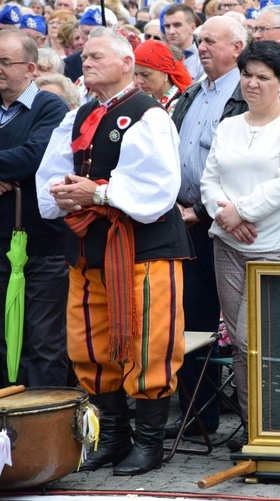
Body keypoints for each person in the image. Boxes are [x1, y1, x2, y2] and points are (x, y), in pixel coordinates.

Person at [36, 27, 192, 476]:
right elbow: (53, 174)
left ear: (127, 63)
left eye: (97, 55)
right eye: (84, 55)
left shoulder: (148, 114)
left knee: (149, 342)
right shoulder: (79, 113)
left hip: (144, 248)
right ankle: (114, 435)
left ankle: (148, 443)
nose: (86, 61)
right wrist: (66, 193)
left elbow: (160, 187)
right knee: (89, 342)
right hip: (88, 246)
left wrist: (99, 194)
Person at [200, 39, 280, 446]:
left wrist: (243, 211)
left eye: (262, 78)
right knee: (238, 341)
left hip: (279, 240)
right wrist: (227, 216)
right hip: (229, 242)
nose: (252, 84)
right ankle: (255, 426)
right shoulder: (229, 125)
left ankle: (278, 422)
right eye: (246, 75)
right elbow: (208, 179)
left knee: (258, 338)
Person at [168, 15, 246, 447]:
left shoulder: (245, 92)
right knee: (188, 317)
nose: (201, 47)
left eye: (211, 41)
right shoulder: (192, 93)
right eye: (199, 41)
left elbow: (238, 165)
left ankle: (248, 413)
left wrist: (200, 208)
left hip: (227, 222)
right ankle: (197, 416)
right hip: (183, 221)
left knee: (234, 322)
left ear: (237, 46)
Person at [0, 30, 70, 388]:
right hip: (1, 244)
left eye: (4, 62)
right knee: (2, 338)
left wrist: (18, 171)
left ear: (29, 68)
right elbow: (18, 161)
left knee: (43, 341)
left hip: (43, 245)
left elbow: (36, 155)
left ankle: (45, 433)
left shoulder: (50, 106)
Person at [133, 40, 193, 114]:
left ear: (165, 73)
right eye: (135, 74)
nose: (138, 80)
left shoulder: (183, 104)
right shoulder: (143, 101)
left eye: (145, 74)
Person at [163, 4, 205, 82]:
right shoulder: (159, 58)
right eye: (167, 26)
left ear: (192, 28)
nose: (171, 31)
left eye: (177, 25)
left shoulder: (203, 61)